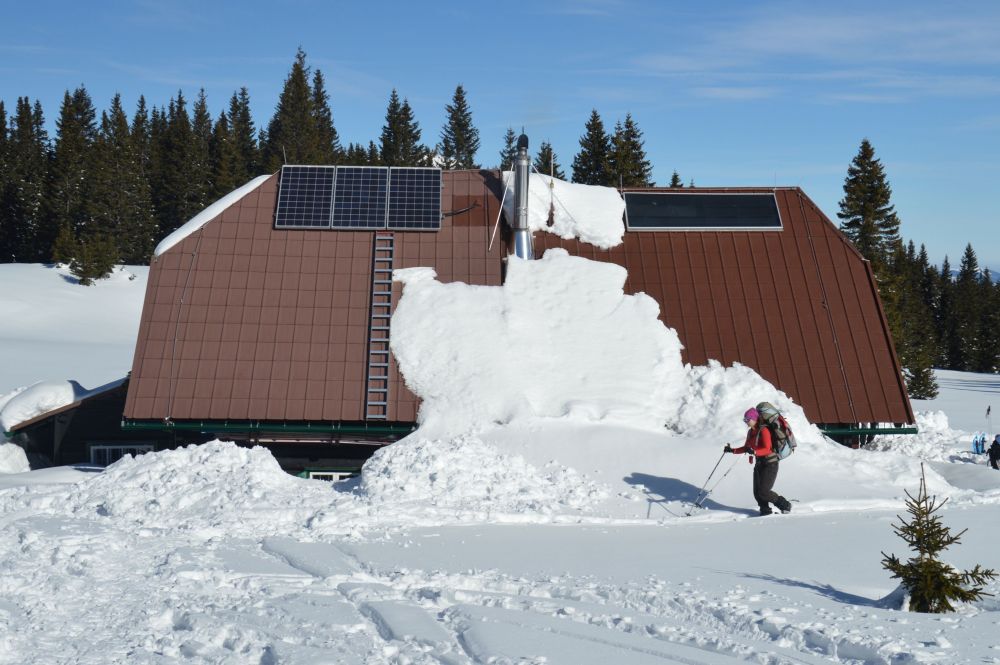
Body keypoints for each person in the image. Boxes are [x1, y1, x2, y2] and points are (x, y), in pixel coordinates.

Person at [724, 407, 792, 516]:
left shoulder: (764, 430)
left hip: (770, 464)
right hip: (759, 463)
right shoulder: (751, 432)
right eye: (744, 420)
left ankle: (785, 505)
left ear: (754, 419)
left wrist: (754, 452)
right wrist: (732, 450)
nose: (746, 422)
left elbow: (767, 448)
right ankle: (765, 512)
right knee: (757, 492)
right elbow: (746, 448)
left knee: (764, 491)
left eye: (747, 419)